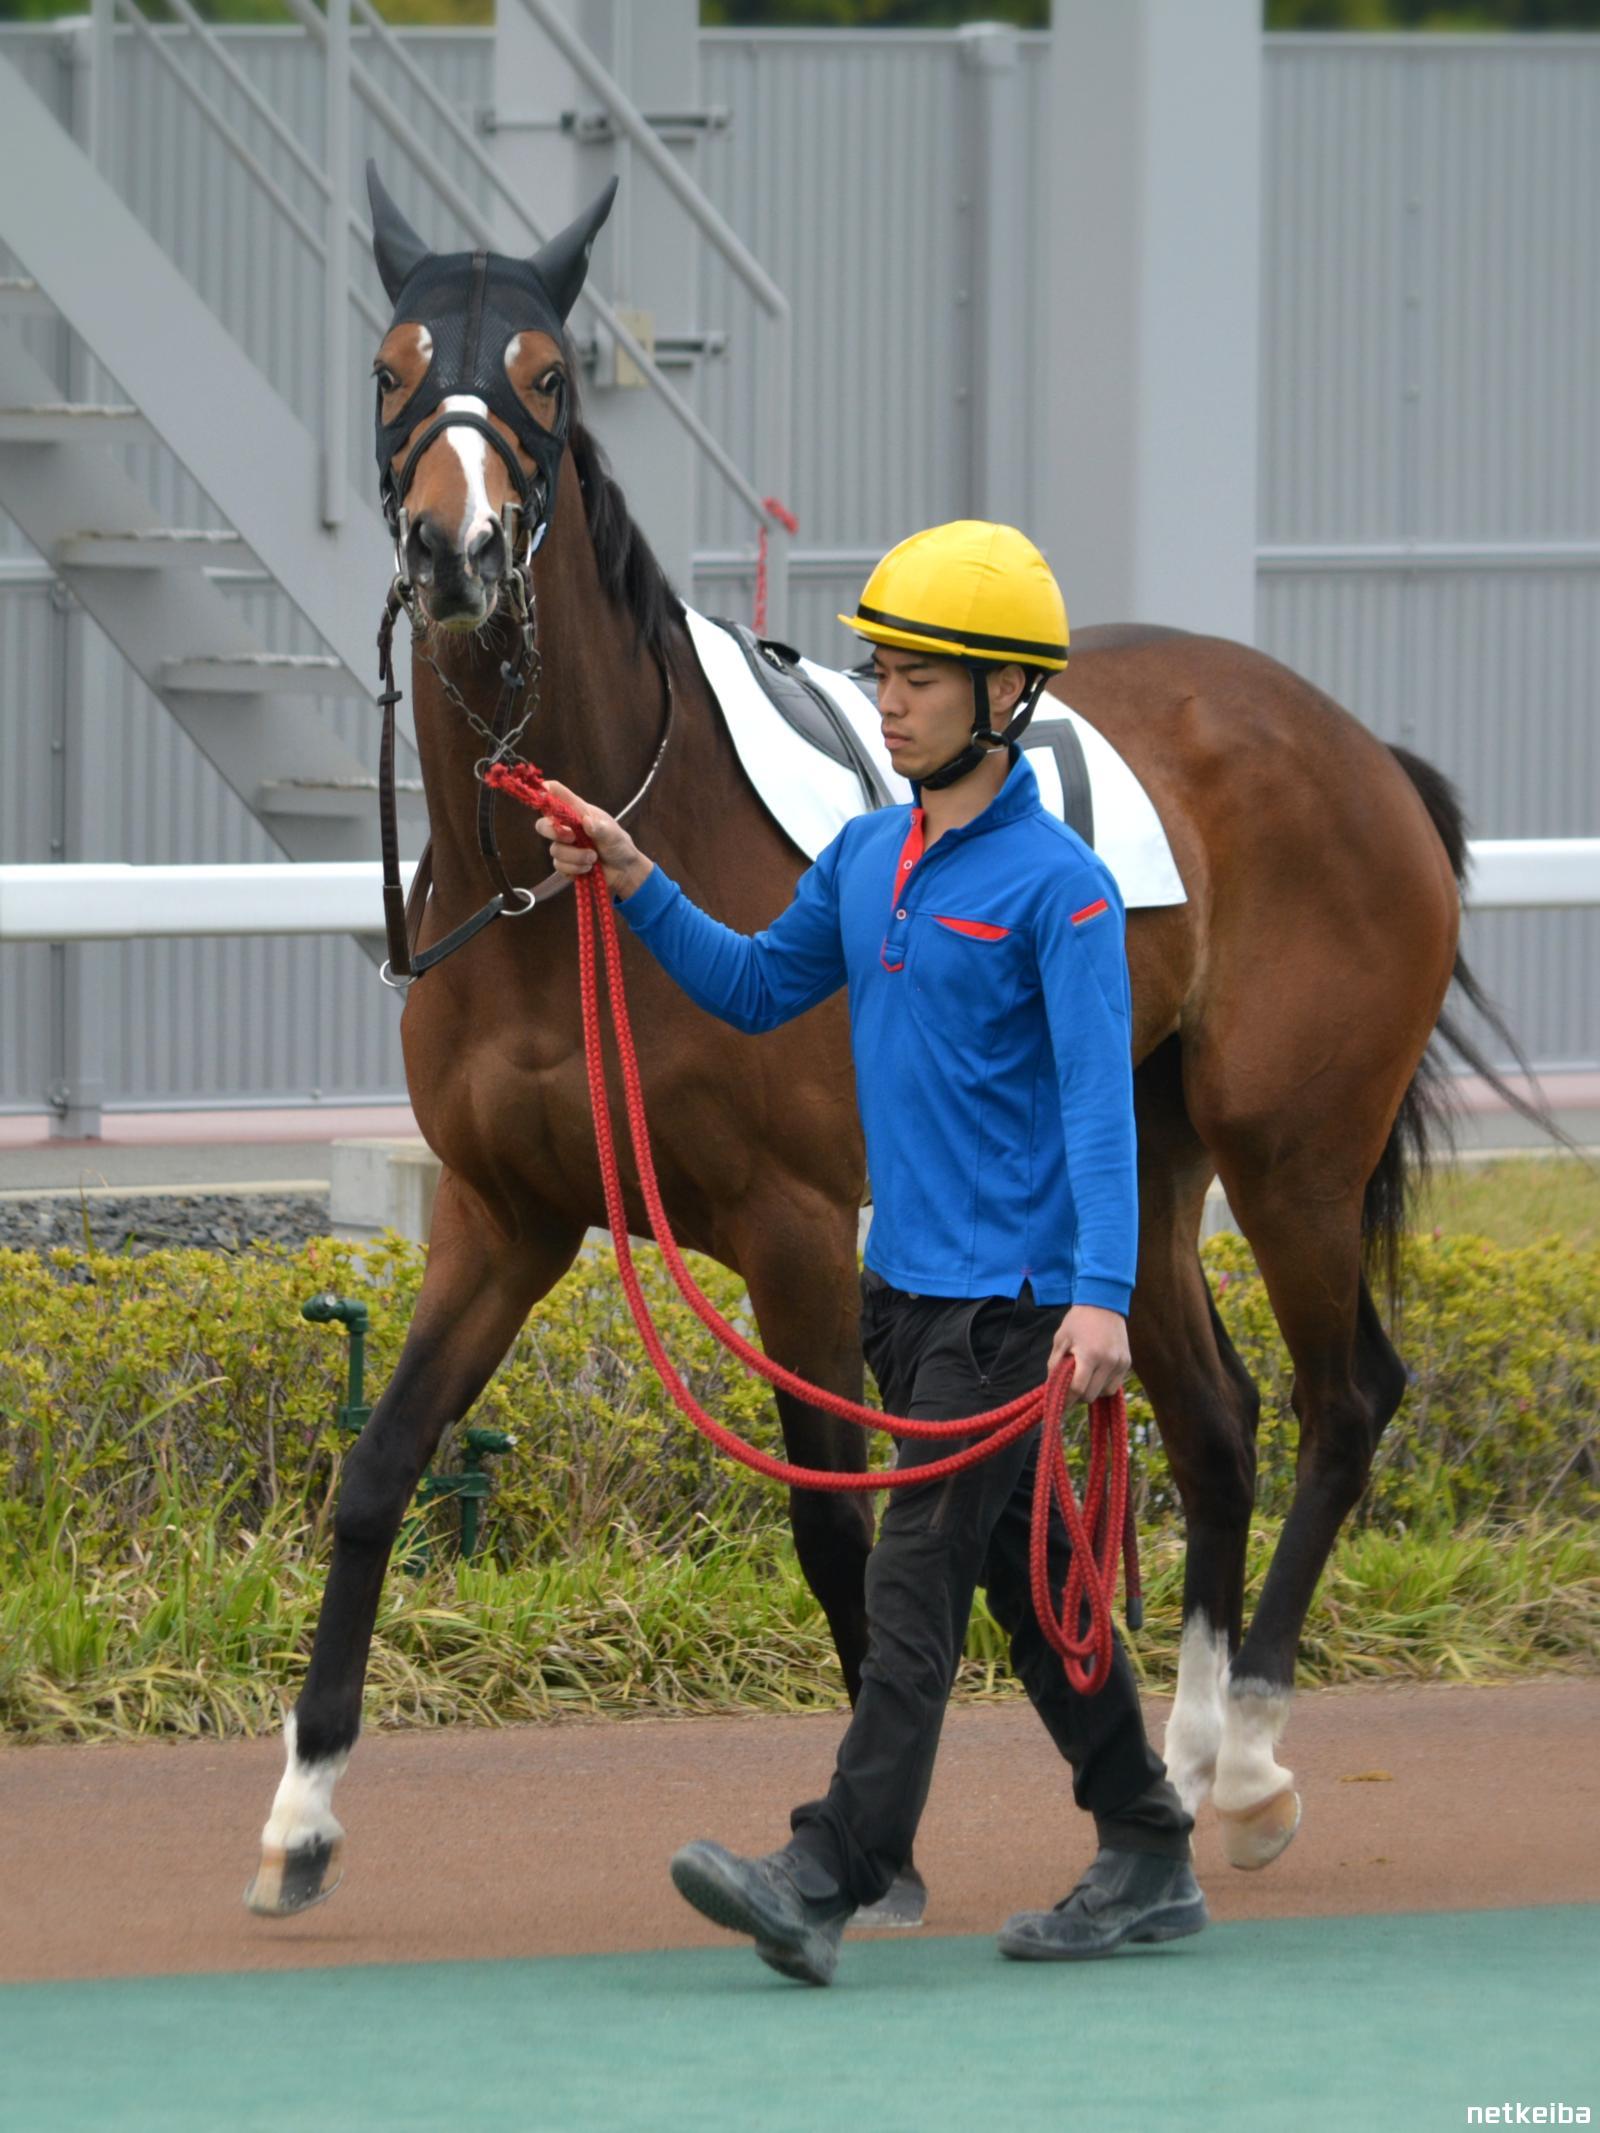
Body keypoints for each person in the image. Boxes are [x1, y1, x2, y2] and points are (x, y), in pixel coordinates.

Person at [536, 520, 1205, 1987]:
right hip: (903, 1298)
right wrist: (634, 875)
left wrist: (1104, 1302)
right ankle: (1150, 1843)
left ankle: (831, 1867)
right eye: (884, 673)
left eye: (920, 679)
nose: (888, 701)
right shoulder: (864, 856)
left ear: (1004, 696)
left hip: (1012, 1312)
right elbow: (751, 986)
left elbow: (1102, 1114)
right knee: (1032, 1588)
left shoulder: (1064, 891)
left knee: (911, 1593)